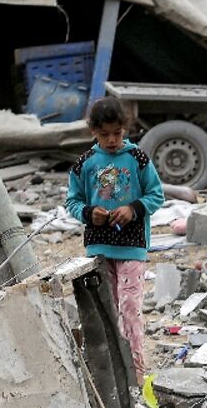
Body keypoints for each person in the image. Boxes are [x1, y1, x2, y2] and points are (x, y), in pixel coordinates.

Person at [65, 97, 164, 380]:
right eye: (104, 134)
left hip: (132, 245)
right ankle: (111, 372)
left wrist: (133, 209)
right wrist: (87, 212)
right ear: (93, 132)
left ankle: (135, 372)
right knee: (107, 310)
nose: (111, 140)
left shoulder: (138, 158)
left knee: (130, 308)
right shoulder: (84, 164)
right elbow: (72, 201)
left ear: (125, 129)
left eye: (117, 133)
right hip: (98, 246)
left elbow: (156, 194)